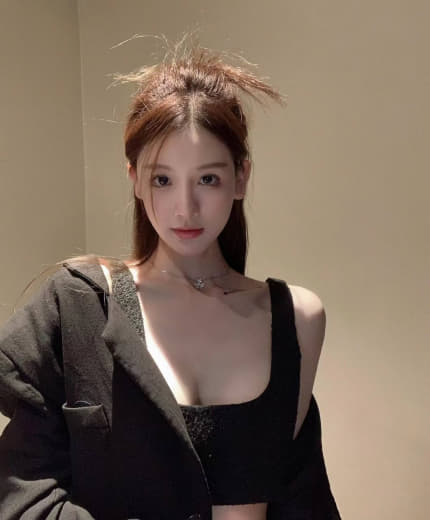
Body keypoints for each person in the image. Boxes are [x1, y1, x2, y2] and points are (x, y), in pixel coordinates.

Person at [0, 40, 342, 519]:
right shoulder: (78, 304)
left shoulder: (298, 318)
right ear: (135, 179)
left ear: (241, 177)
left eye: (208, 179)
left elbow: (301, 496)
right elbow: (23, 495)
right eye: (162, 179)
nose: (185, 208)